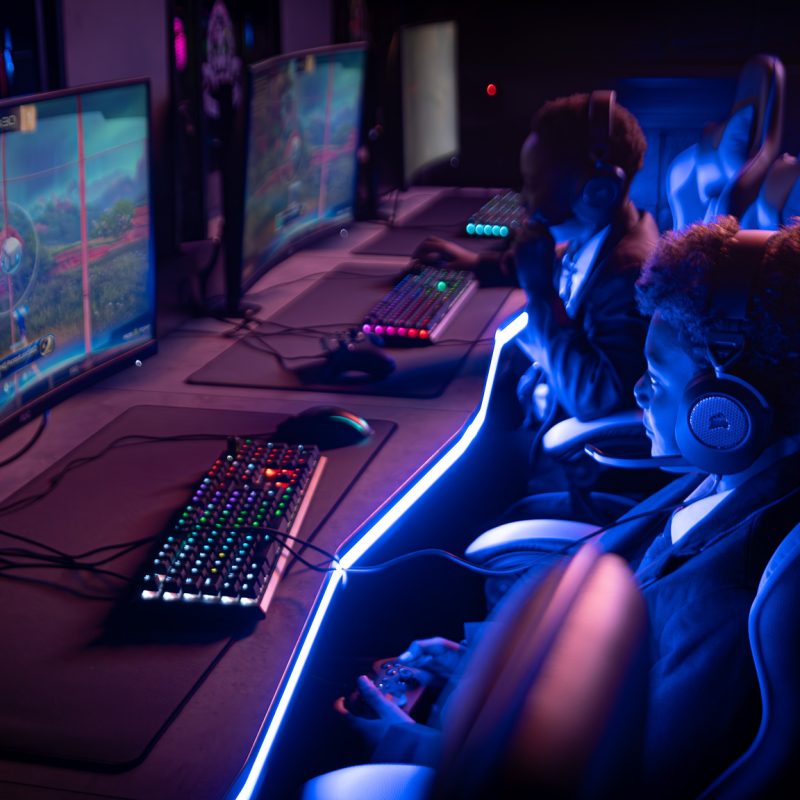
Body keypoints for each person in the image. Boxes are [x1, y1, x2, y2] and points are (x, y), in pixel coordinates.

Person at [340, 217, 800, 798]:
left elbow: (618, 780)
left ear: (727, 414)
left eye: (655, 378)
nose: (637, 392)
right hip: (525, 697)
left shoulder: (725, 605)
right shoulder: (728, 484)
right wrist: (475, 663)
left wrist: (402, 742)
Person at [414, 91, 659, 426]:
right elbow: (567, 272)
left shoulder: (628, 273)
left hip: (566, 463)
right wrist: (478, 264)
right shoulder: (605, 233)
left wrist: (540, 291)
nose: (524, 198)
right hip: (542, 400)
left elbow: (595, 397)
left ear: (597, 190)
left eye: (533, 183)